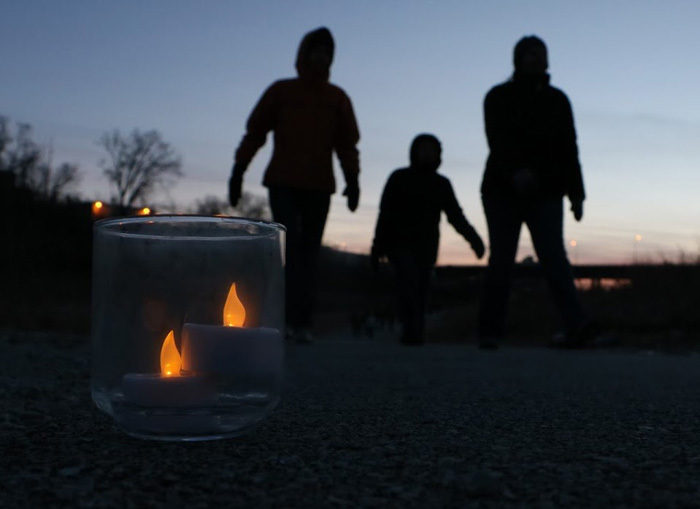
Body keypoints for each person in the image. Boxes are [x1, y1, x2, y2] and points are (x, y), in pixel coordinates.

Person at [229, 27, 361, 343]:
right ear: (303, 54)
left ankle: (303, 323)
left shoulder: (337, 98)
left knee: (310, 254)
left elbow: (347, 144)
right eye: (316, 50)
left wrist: (353, 180)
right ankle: (282, 320)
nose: (321, 56)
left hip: (319, 186)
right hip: (284, 182)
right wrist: (238, 171)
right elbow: (255, 132)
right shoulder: (282, 91)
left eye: (327, 52)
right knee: (287, 251)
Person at [477, 35, 590, 349]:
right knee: (501, 258)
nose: (537, 58)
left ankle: (575, 325)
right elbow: (496, 140)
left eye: (541, 53)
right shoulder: (498, 96)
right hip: (502, 190)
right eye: (530, 53)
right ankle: (489, 330)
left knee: (554, 258)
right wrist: (515, 172)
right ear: (517, 59)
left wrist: (577, 192)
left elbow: (570, 148)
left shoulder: (558, 100)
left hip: (548, 192)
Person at [371, 134, 485, 345]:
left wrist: (474, 239)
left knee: (421, 287)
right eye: (423, 149)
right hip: (399, 244)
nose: (427, 153)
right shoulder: (399, 178)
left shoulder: (441, 184)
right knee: (408, 282)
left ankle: (416, 330)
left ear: (438, 155)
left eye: (432, 150)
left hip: (426, 246)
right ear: (414, 152)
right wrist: (377, 248)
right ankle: (411, 329)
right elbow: (385, 214)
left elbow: (455, 215)